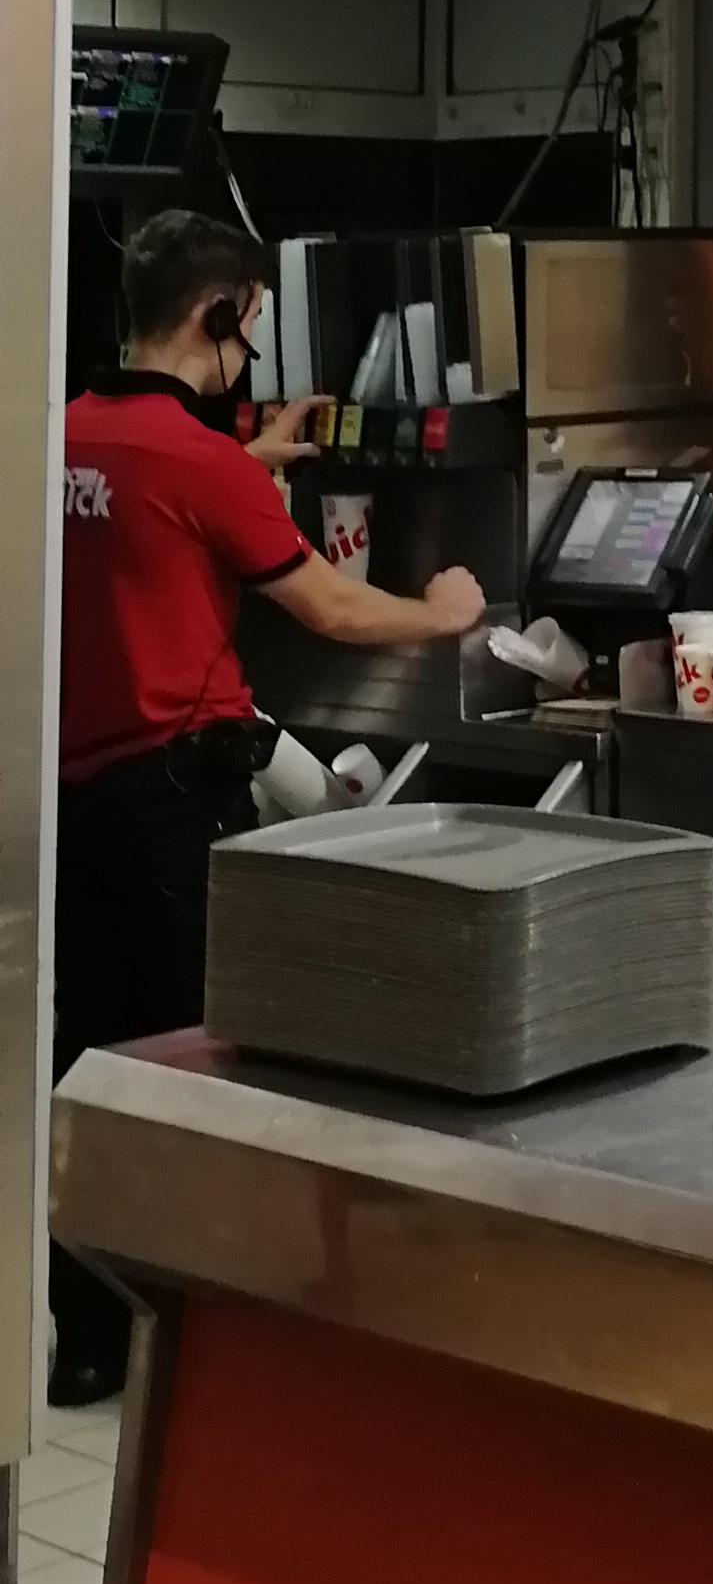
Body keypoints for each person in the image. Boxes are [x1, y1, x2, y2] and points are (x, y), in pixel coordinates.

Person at [55, 209, 485, 1403]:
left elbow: (147, 502)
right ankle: (204, 1337)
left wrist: (253, 462)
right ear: (216, 315)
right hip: (173, 804)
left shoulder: (64, 432)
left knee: (88, 1066)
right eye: (248, 328)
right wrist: (444, 609)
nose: (249, 354)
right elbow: (335, 610)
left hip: (73, 807)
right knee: (193, 1064)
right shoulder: (197, 462)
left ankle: (88, 1333)